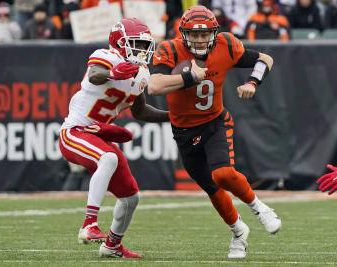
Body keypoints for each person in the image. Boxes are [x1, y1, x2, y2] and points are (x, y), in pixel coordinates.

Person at [148, 5, 281, 259]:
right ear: (183, 34)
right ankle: (239, 233)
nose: (199, 40)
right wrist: (188, 77)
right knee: (212, 189)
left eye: (205, 34)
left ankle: (260, 208)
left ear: (214, 33)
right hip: (184, 132)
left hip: (215, 122)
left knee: (223, 174)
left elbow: (266, 59)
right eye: (194, 35)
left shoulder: (226, 45)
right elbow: (154, 87)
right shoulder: (169, 49)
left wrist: (253, 82)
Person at [59, 18, 169, 258]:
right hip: (75, 132)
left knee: (131, 197)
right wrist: (113, 73)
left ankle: (112, 246)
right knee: (108, 158)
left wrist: (173, 117)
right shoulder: (106, 56)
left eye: (144, 45)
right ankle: (89, 224)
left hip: (98, 137)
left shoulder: (141, 73)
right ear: (119, 43)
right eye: (136, 44)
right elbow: (95, 74)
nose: (142, 50)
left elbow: (140, 111)